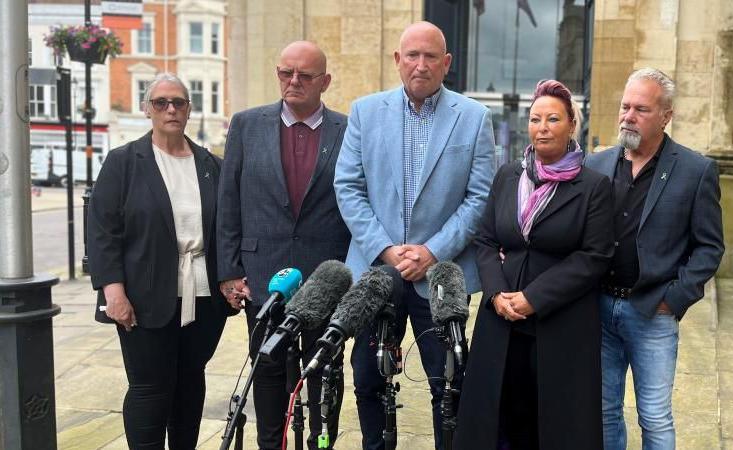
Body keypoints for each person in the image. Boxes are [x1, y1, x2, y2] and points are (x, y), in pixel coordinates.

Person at [334, 21, 494, 450]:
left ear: (447, 63)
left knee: (449, 386)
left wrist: (432, 250)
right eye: (412, 55)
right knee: (367, 380)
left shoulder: (475, 118)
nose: (420, 65)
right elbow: (348, 187)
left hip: (440, 275)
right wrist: (385, 250)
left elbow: (480, 199)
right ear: (397, 60)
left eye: (430, 57)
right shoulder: (365, 112)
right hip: (375, 271)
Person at [454, 80, 614, 450]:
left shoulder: (593, 186)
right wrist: (495, 293)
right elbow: (486, 240)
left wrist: (534, 298)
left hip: (561, 323)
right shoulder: (508, 175)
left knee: (554, 424)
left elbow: (594, 257)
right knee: (499, 417)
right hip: (502, 319)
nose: (542, 127)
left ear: (572, 124)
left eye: (553, 119)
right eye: (535, 118)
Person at [216, 41, 350, 450]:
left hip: (326, 276)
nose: (293, 81)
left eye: (305, 75)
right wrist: (229, 271)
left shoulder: (348, 130)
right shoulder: (245, 125)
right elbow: (228, 202)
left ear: (324, 82)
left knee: (325, 370)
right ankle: (270, 445)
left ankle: (319, 443)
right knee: (268, 368)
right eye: (285, 72)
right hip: (262, 274)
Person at [584, 68, 724, 450]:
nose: (628, 115)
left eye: (641, 109)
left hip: (653, 314)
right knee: (602, 410)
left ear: (666, 115)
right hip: (598, 308)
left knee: (655, 418)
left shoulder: (696, 171)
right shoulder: (595, 165)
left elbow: (710, 247)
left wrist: (674, 299)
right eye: (625, 106)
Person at [87, 73, 229, 449]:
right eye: (161, 102)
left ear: (189, 110)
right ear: (147, 109)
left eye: (179, 102)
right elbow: (103, 232)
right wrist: (112, 292)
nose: (171, 109)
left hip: (202, 296)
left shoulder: (211, 164)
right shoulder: (124, 162)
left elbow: (227, 228)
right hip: (143, 295)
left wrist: (231, 278)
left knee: (189, 382)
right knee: (150, 388)